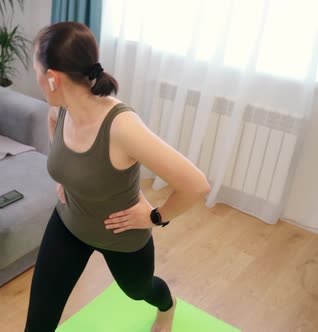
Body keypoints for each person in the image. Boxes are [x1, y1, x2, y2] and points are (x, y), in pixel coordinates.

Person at [24, 22, 211, 332]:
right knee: (39, 321)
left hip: (122, 234)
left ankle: (168, 306)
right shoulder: (59, 110)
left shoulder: (122, 126)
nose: (36, 79)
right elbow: (57, 138)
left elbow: (196, 185)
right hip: (68, 223)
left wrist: (154, 216)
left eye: (36, 72)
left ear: (53, 78)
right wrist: (64, 179)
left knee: (140, 290)